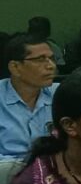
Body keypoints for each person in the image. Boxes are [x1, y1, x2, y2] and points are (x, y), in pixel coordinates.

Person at [1, 34, 59, 162]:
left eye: (51, 58)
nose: (51, 66)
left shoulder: (61, 94)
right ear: (15, 67)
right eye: (40, 59)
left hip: (53, 170)